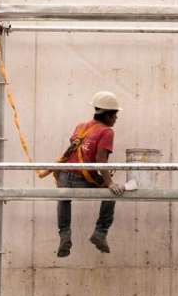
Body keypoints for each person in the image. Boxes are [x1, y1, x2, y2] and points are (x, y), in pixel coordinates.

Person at [51, 91, 126, 257]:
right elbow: (100, 161)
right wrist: (110, 183)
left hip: (64, 175)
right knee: (111, 193)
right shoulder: (107, 132)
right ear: (107, 115)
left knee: (64, 197)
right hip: (81, 178)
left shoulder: (81, 126)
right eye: (115, 115)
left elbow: (75, 149)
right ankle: (100, 232)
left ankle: (65, 235)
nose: (116, 119)